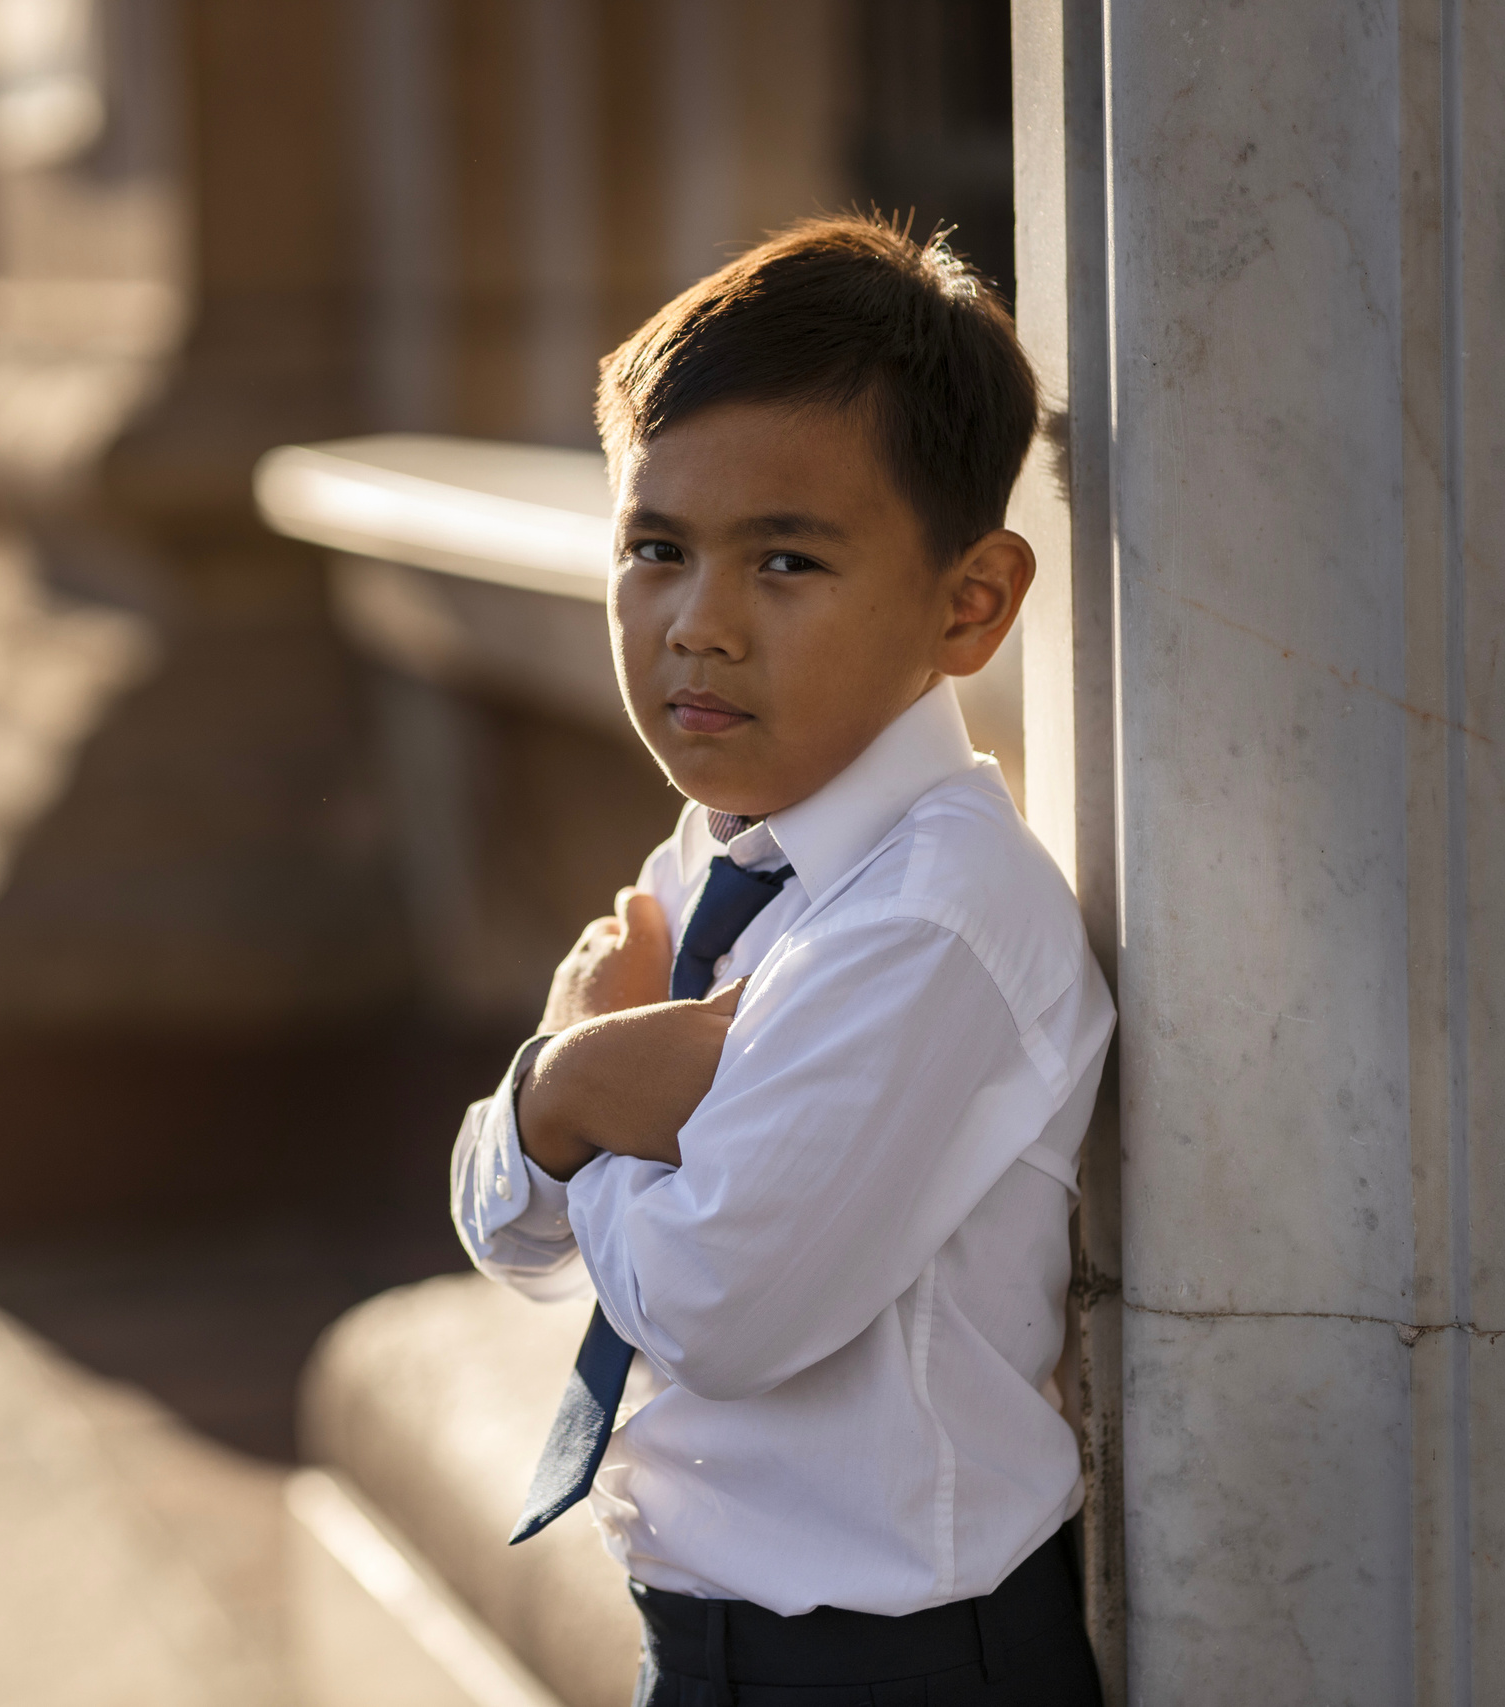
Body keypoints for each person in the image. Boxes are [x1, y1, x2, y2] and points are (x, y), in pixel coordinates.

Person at [449, 212, 1114, 1705]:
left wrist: (583, 1113)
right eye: (656, 550)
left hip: (900, 1668)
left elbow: (714, 1311)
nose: (699, 627)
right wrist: (566, 1096)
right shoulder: (728, 850)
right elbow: (504, 1226)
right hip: (706, 1640)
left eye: (789, 561)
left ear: (972, 604)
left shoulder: (931, 919)